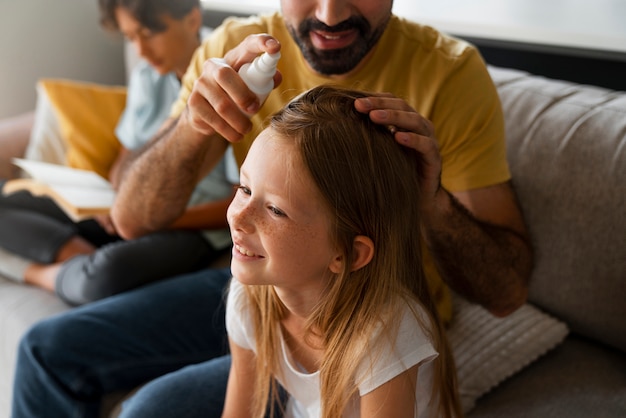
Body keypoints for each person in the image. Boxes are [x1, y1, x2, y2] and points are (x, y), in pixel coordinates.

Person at [12, 1, 534, 417]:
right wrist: (194, 128)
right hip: (271, 283)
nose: (330, 15)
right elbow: (130, 219)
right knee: (47, 352)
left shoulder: (451, 76)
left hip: (358, 308)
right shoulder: (229, 52)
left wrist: (433, 202)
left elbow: (507, 294)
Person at [223, 85, 461, 418]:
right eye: (245, 188)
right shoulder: (249, 297)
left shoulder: (387, 334)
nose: (239, 216)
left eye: (276, 210)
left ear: (347, 254)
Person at [0, 0, 237, 305]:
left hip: (192, 228)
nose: (140, 51)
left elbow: (238, 201)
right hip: (127, 209)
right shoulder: (147, 77)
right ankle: (71, 253)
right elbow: (125, 158)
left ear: (192, 19)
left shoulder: (230, 80)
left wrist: (152, 219)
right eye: (130, 38)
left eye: (149, 33)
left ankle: (40, 274)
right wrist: (111, 198)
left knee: (103, 278)